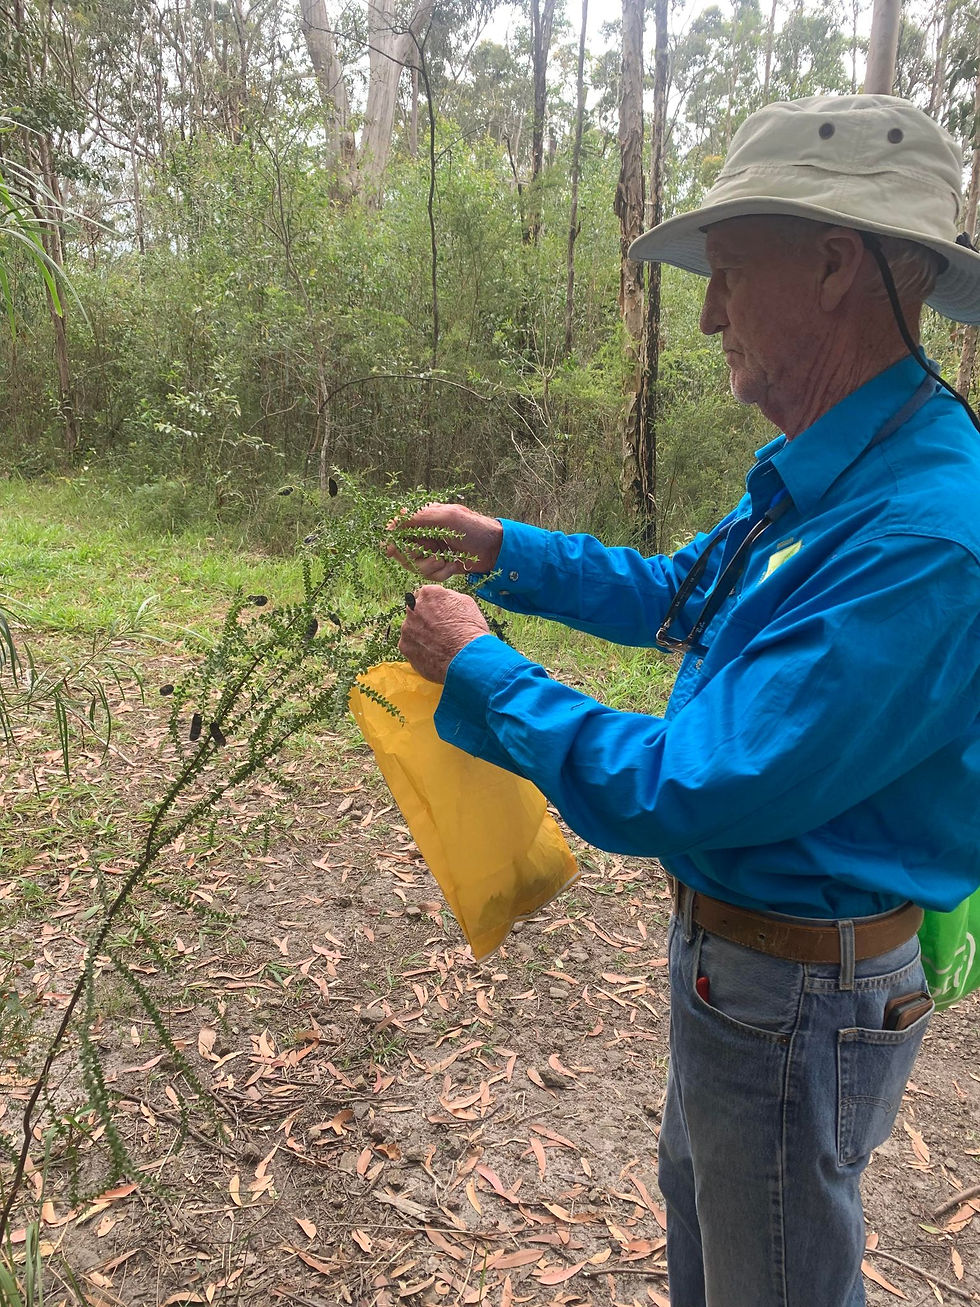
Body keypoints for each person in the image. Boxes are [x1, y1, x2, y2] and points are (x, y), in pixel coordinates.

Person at [388, 94, 980, 1307]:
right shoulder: (832, 470)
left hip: (797, 998)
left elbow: (690, 782)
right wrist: (509, 548)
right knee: (719, 1251)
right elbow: (680, 592)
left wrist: (484, 666)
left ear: (831, 267)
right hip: (746, 978)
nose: (705, 311)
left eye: (722, 271)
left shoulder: (920, 537)